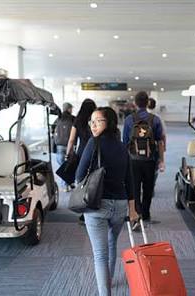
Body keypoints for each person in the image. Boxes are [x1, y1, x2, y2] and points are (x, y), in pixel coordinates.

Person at [75, 107, 138, 296]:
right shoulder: (121, 146)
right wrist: (132, 209)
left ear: (108, 123)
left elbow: (79, 176)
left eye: (98, 121)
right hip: (119, 206)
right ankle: (109, 280)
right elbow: (130, 179)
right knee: (112, 244)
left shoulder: (93, 144)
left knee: (100, 255)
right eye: (91, 121)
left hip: (96, 206)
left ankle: (105, 292)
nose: (93, 125)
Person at [123, 91, 164, 225]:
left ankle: (137, 211)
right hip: (150, 159)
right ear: (147, 103)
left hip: (133, 159)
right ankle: (146, 213)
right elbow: (160, 142)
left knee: (134, 187)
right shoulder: (155, 119)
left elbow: (124, 142)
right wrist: (161, 160)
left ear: (135, 103)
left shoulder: (129, 119)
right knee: (148, 187)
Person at [66, 98, 97, 222]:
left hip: (81, 154)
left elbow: (72, 140)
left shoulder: (77, 121)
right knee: (94, 182)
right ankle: (93, 207)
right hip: (95, 153)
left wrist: (68, 154)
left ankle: (84, 212)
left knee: (81, 183)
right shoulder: (95, 121)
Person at [53, 102, 75, 191]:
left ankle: (65, 185)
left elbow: (52, 130)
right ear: (69, 109)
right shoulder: (73, 119)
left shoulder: (58, 119)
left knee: (62, 166)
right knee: (68, 166)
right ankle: (67, 184)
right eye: (71, 108)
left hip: (59, 146)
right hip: (69, 145)